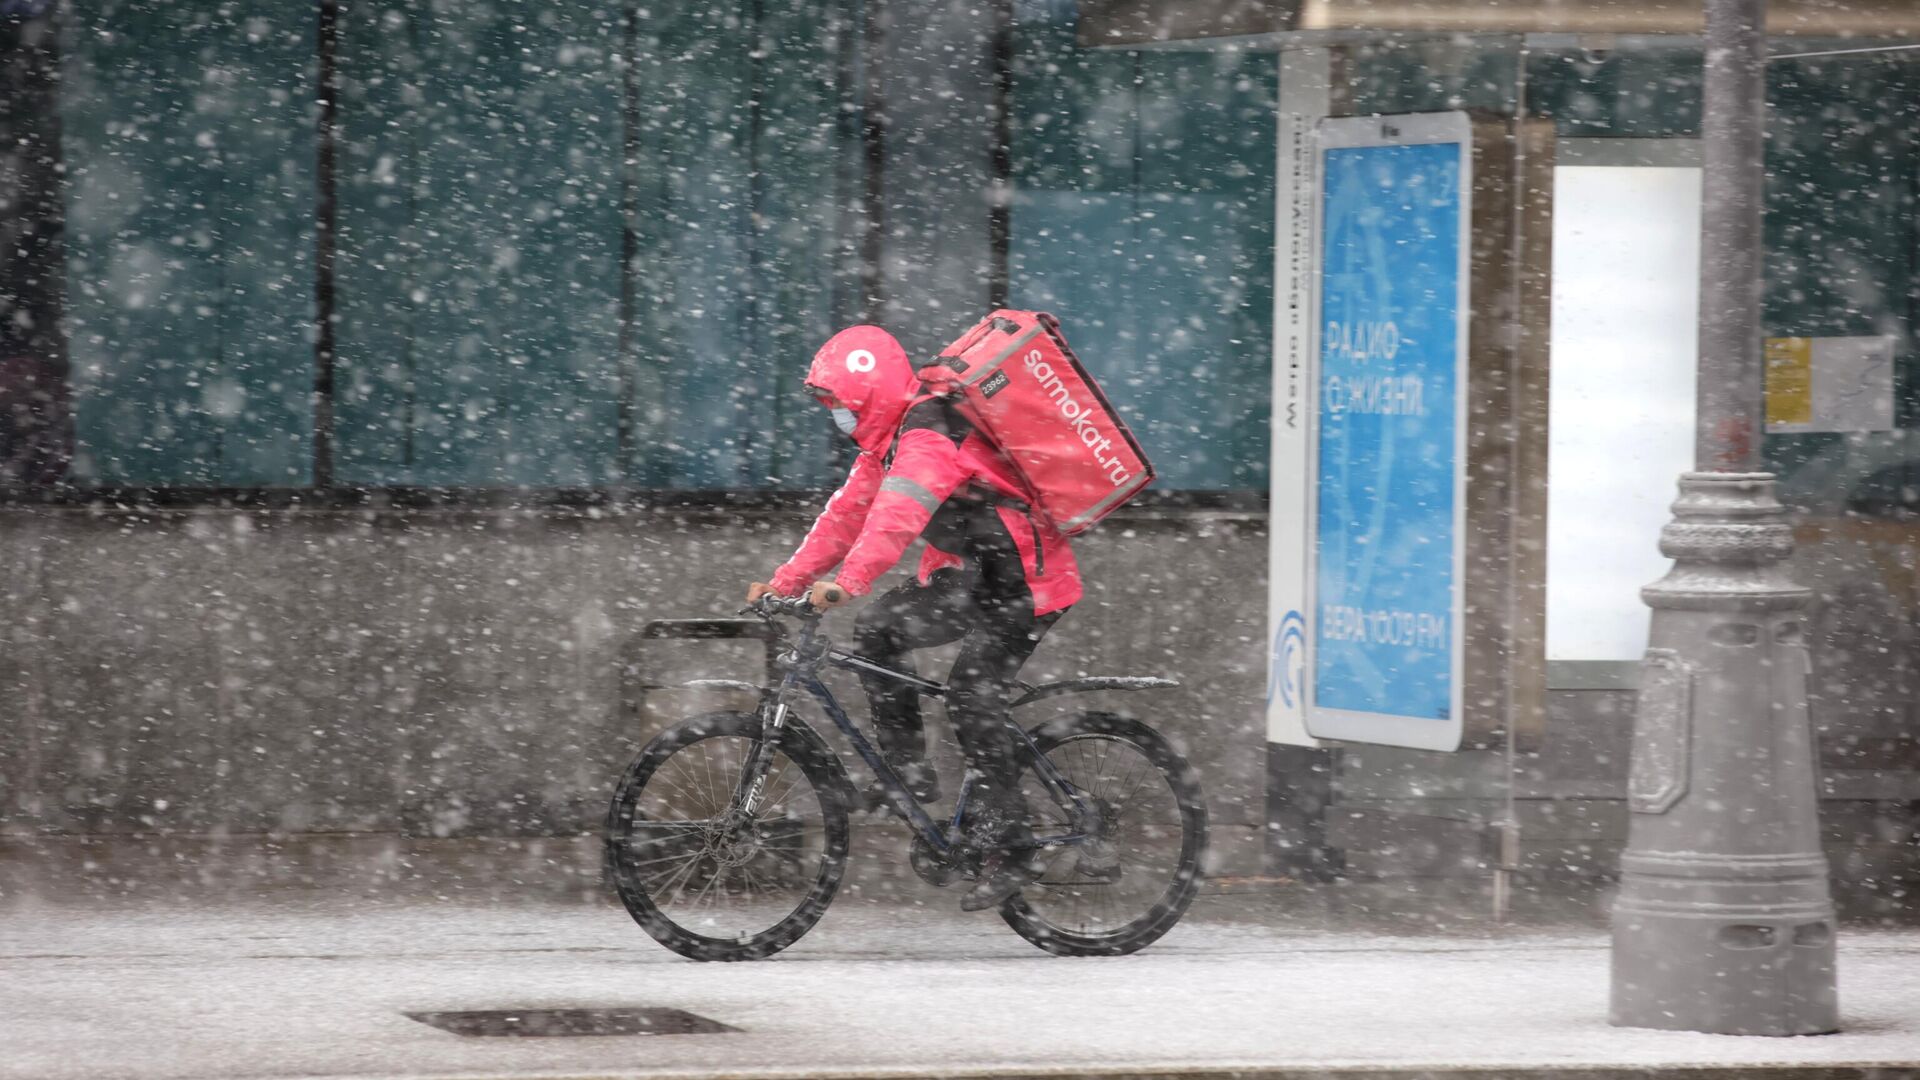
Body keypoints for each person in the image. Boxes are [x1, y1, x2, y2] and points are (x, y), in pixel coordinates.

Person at [747, 324, 1081, 912]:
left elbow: (895, 517)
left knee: (972, 698)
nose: (837, 417)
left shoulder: (928, 433)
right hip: (973, 577)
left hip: (1025, 582)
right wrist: (785, 581)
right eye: (830, 406)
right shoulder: (888, 442)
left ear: (871, 396)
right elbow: (845, 517)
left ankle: (1017, 842)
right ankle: (910, 771)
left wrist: (848, 581)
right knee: (879, 628)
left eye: (841, 404)